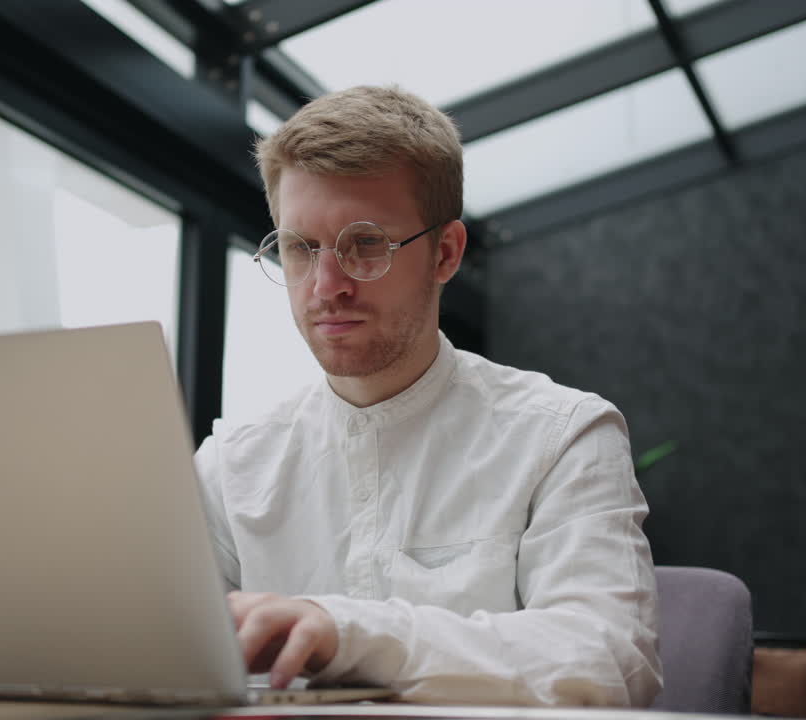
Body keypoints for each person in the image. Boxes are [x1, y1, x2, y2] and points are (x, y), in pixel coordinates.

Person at [193, 85, 661, 707]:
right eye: (301, 248)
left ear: (445, 253)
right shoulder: (230, 465)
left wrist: (349, 633)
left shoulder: (563, 436)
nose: (326, 287)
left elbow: (608, 658)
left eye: (366, 244)